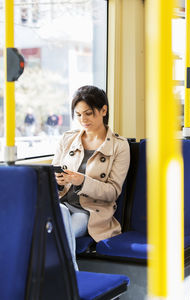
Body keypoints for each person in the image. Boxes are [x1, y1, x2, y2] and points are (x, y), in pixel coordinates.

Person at [52, 85, 130, 268]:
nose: (83, 120)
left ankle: (67, 276)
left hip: (89, 212)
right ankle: (71, 275)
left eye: (88, 113)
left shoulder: (120, 146)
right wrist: (58, 182)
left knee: (63, 229)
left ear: (104, 110)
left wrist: (82, 181)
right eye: (78, 115)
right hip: (62, 204)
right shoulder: (68, 139)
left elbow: (112, 192)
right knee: (61, 213)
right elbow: (52, 176)